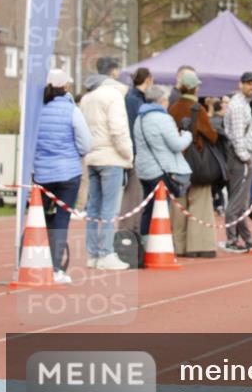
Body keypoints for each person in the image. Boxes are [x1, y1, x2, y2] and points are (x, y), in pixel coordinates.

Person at [32, 68, 93, 283]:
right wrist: (74, 153)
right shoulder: (72, 110)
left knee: (36, 218)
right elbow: (86, 143)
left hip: (41, 172)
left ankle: (29, 261)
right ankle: (56, 269)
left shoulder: (36, 110)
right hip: (68, 173)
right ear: (66, 86)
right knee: (61, 221)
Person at [80, 56, 133, 270]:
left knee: (93, 208)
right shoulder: (114, 95)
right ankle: (106, 253)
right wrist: (128, 154)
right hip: (111, 157)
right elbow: (118, 129)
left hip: (92, 156)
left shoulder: (87, 97)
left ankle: (93, 254)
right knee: (110, 209)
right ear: (114, 72)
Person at [133, 84, 192, 248]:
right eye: (166, 99)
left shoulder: (139, 118)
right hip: (160, 169)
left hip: (144, 169)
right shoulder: (163, 119)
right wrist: (187, 135)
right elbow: (177, 145)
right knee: (161, 210)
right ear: (162, 100)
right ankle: (159, 247)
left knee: (149, 209)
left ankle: (145, 245)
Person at [168, 70, 219, 257]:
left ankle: (178, 246)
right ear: (195, 88)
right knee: (200, 203)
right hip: (197, 163)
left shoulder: (172, 108)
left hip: (177, 161)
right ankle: (199, 246)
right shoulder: (197, 109)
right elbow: (211, 136)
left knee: (178, 205)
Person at [223, 72, 252, 252]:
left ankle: (247, 237)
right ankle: (231, 240)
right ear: (240, 84)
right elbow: (237, 136)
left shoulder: (242, 103)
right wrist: (246, 158)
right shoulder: (238, 105)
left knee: (242, 201)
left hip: (241, 156)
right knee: (237, 201)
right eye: (249, 83)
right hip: (240, 158)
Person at [120, 67, 153, 233]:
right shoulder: (134, 100)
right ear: (148, 79)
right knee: (133, 194)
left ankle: (132, 230)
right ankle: (128, 232)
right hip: (136, 153)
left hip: (136, 152)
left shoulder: (135, 98)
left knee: (136, 194)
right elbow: (135, 127)